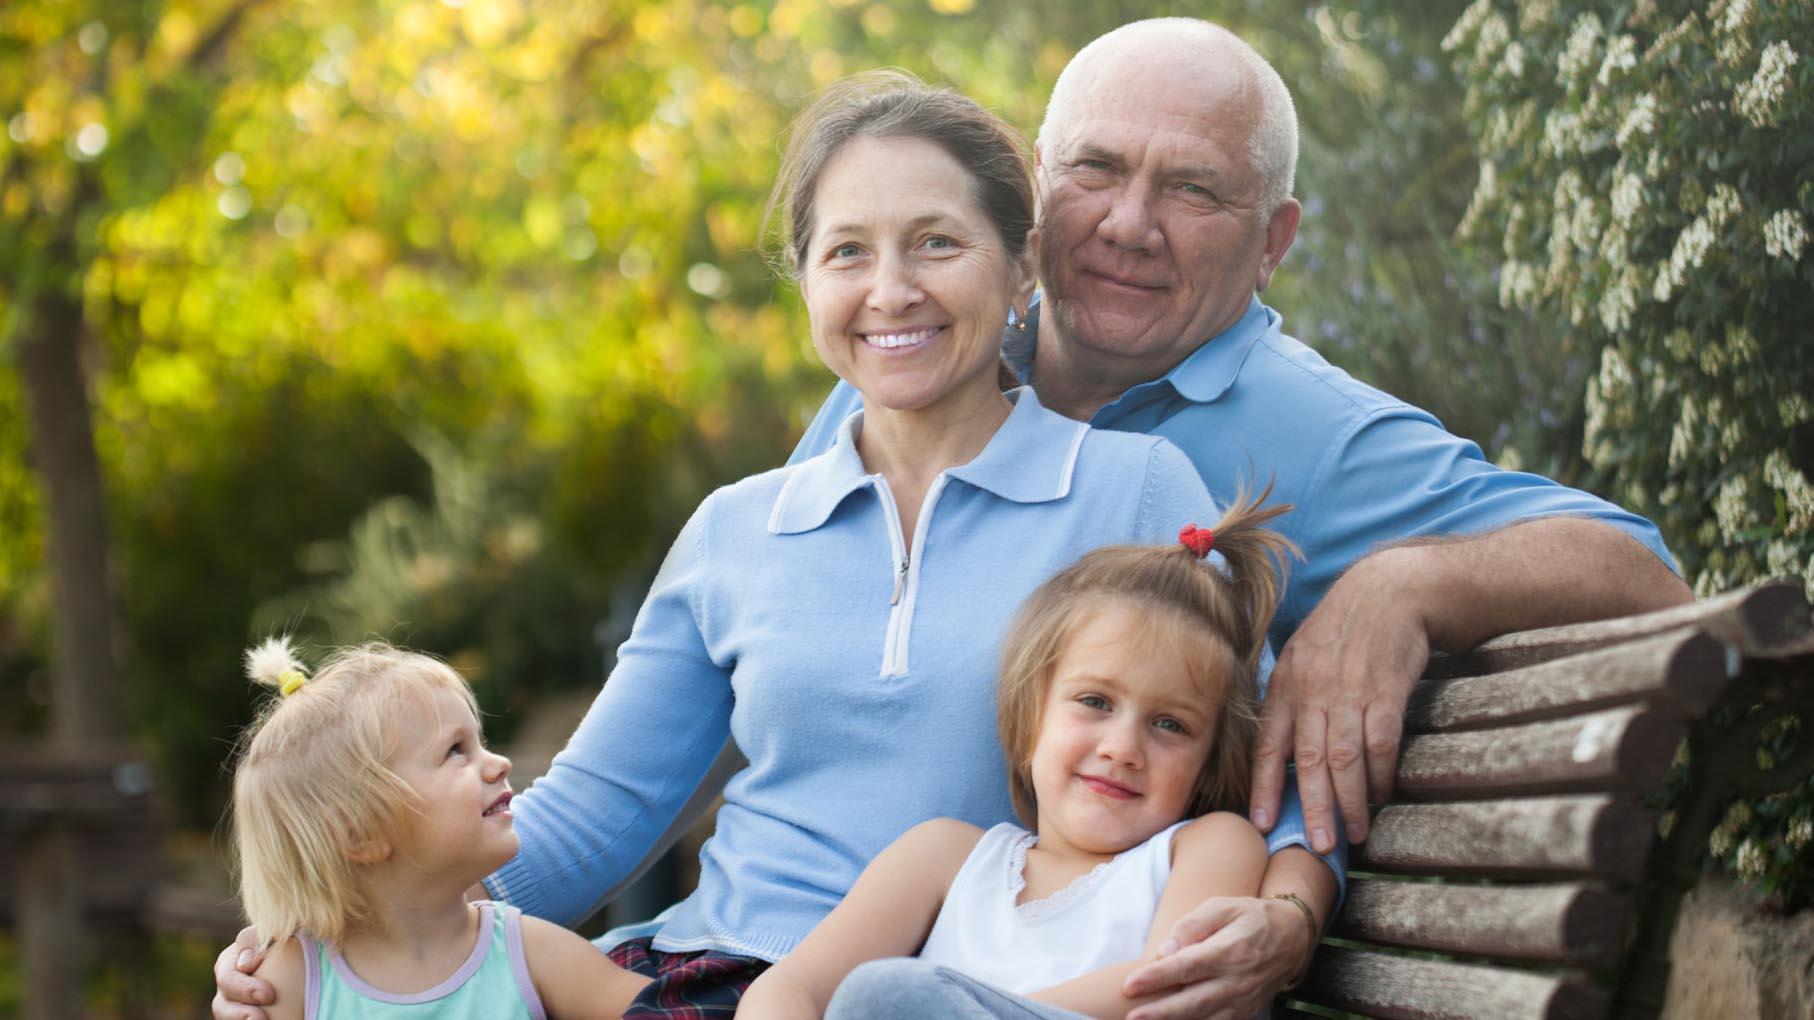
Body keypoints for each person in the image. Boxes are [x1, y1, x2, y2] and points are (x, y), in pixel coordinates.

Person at [216, 74, 1315, 1020]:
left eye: (936, 242)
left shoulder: (1131, 490)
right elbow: (596, 817)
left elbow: (1249, 765)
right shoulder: (738, 530)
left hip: (943, 994)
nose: (891, 290)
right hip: (695, 982)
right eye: (846, 252)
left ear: (1020, 265)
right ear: (805, 284)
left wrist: (1291, 911)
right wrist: (332, 947)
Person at [787, 16, 1694, 1016]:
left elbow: (1639, 571)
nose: (1128, 223)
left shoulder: (1313, 435)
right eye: (1094, 168)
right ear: (1035, 187)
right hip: (811, 942)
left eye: (1191, 189)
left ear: (1273, 240)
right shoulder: (922, 346)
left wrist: (1408, 584)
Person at [738, 494, 1297, 1020]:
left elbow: (1175, 982)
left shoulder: (1206, 846)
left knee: (886, 994)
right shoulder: (944, 857)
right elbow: (794, 985)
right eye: (1095, 702)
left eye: (1170, 725)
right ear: (1031, 718)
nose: (1122, 748)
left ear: (1207, 765)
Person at [228, 638, 650, 1019]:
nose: (499, 763)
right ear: (358, 833)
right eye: (456, 751)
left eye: (479, 742)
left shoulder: (533, 953)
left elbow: (670, 1012)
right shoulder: (292, 982)